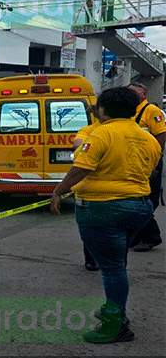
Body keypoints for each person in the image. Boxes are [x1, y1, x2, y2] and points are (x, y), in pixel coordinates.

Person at [50, 87, 161, 344]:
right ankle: (114, 308)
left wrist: (58, 191)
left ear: (102, 109)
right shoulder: (149, 139)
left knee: (112, 269)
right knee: (116, 262)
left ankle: (116, 322)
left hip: (102, 208)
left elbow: (81, 168)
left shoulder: (100, 135)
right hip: (139, 207)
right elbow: (151, 170)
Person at [127, 82, 165, 252]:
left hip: (149, 161)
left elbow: (161, 136)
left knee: (145, 201)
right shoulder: (129, 111)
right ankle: (140, 236)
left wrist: (155, 162)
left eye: (135, 92)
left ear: (144, 94)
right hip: (133, 161)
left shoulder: (152, 111)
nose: (132, 95)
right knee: (135, 199)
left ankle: (151, 237)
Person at [72, 105, 101, 271]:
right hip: (129, 195)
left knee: (90, 229)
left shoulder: (90, 132)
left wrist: (60, 190)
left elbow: (80, 154)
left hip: (91, 193)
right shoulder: (137, 132)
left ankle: (93, 260)